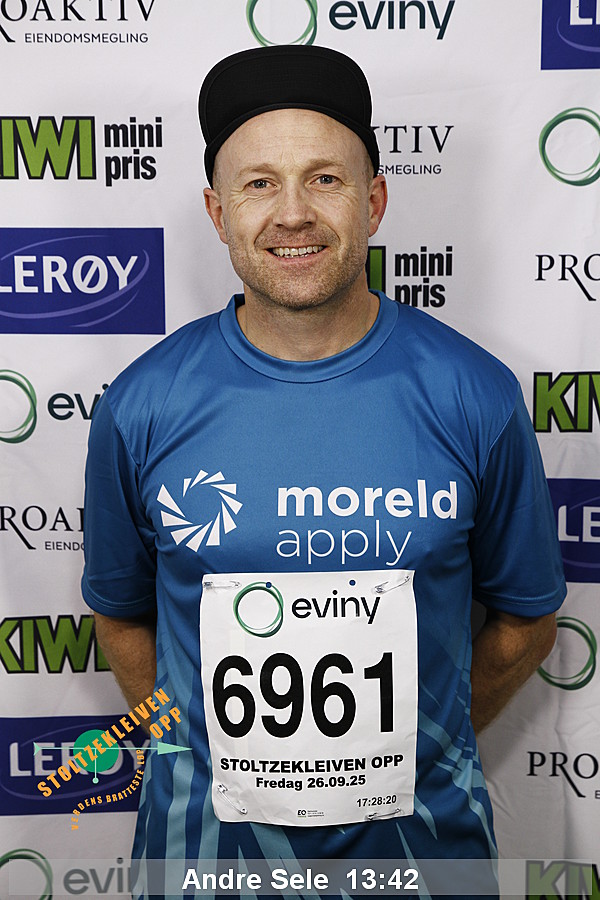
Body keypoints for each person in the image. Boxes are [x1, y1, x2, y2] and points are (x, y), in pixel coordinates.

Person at [82, 45, 566, 898]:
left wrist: (423, 744)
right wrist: (196, 749)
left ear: (373, 200)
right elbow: (121, 616)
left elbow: (526, 618)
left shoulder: (475, 393)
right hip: (205, 861)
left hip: (423, 861)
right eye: (259, 184)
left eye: (326, 180)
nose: (293, 214)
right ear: (218, 211)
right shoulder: (142, 403)